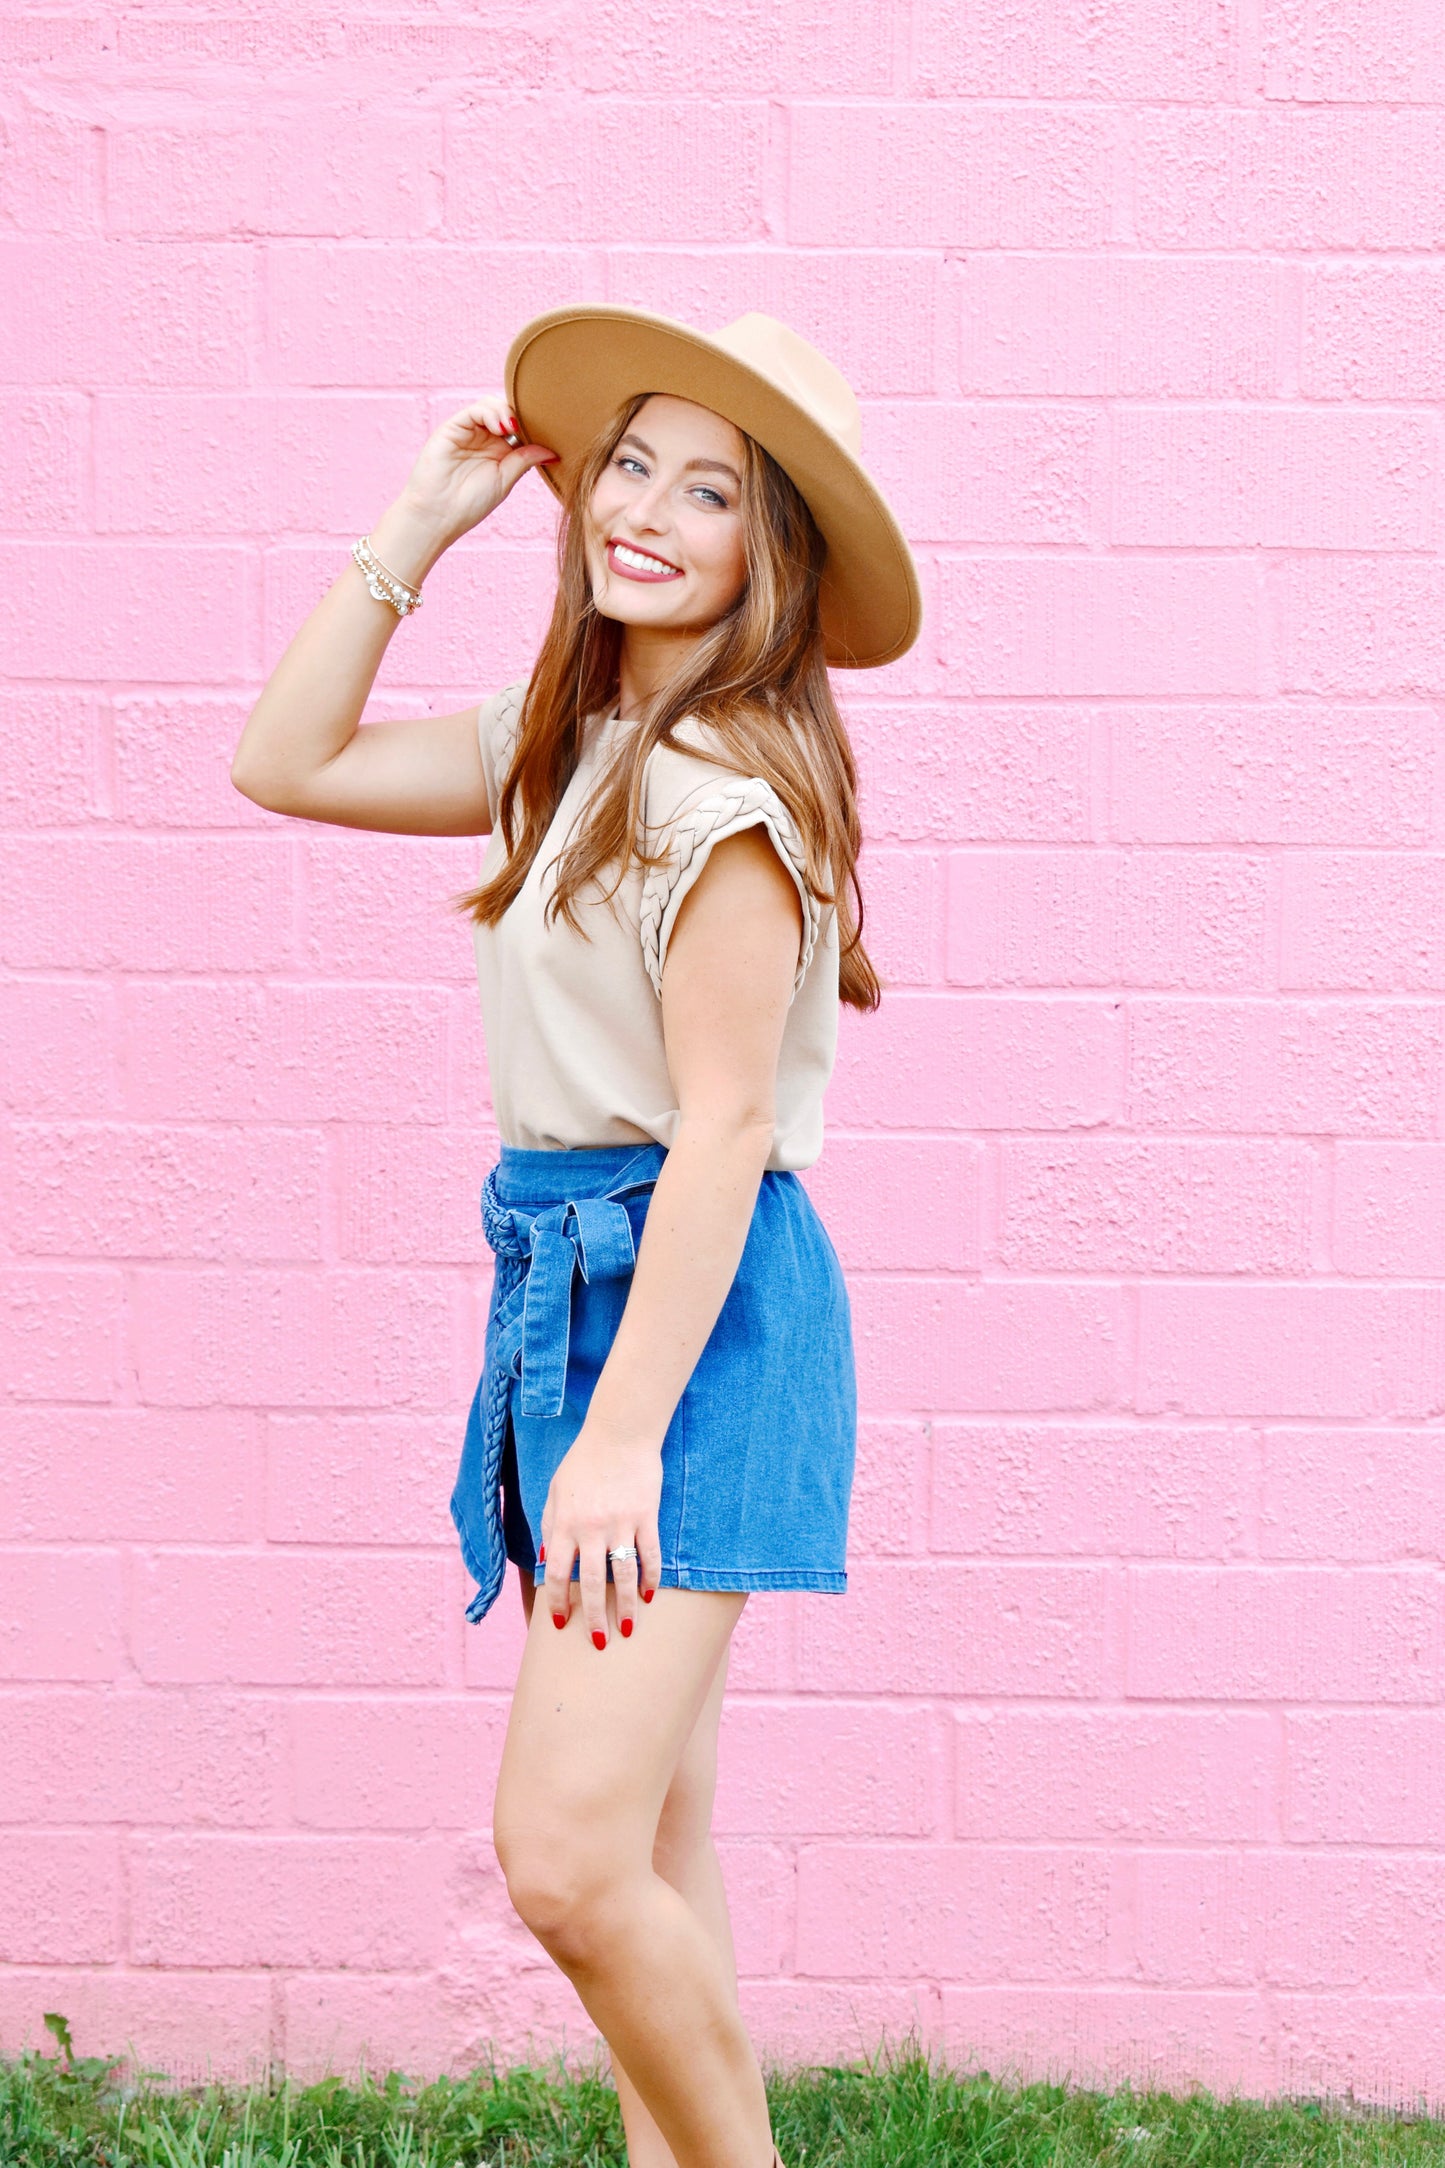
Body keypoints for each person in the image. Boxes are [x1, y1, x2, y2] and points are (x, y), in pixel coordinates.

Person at [231, 303, 921, 2168]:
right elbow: (282, 761)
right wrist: (422, 520)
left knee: (562, 1857)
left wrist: (619, 1434)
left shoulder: (727, 801)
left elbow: (724, 1131)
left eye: (710, 493)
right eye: (630, 464)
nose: (649, 512)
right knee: (651, 1846)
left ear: (766, 556)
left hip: (684, 1315)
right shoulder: (572, 746)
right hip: (570, 1279)